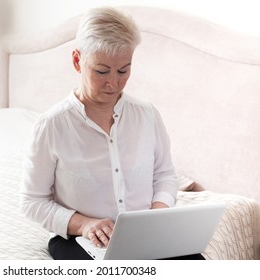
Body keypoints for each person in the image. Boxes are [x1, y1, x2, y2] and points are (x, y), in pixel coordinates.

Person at [20, 7, 204, 260]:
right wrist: (84, 224)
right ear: (77, 61)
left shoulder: (147, 115)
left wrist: (157, 214)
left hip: (146, 235)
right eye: (102, 71)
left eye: (123, 70)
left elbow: (164, 175)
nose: (113, 84)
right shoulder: (51, 126)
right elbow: (32, 202)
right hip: (80, 239)